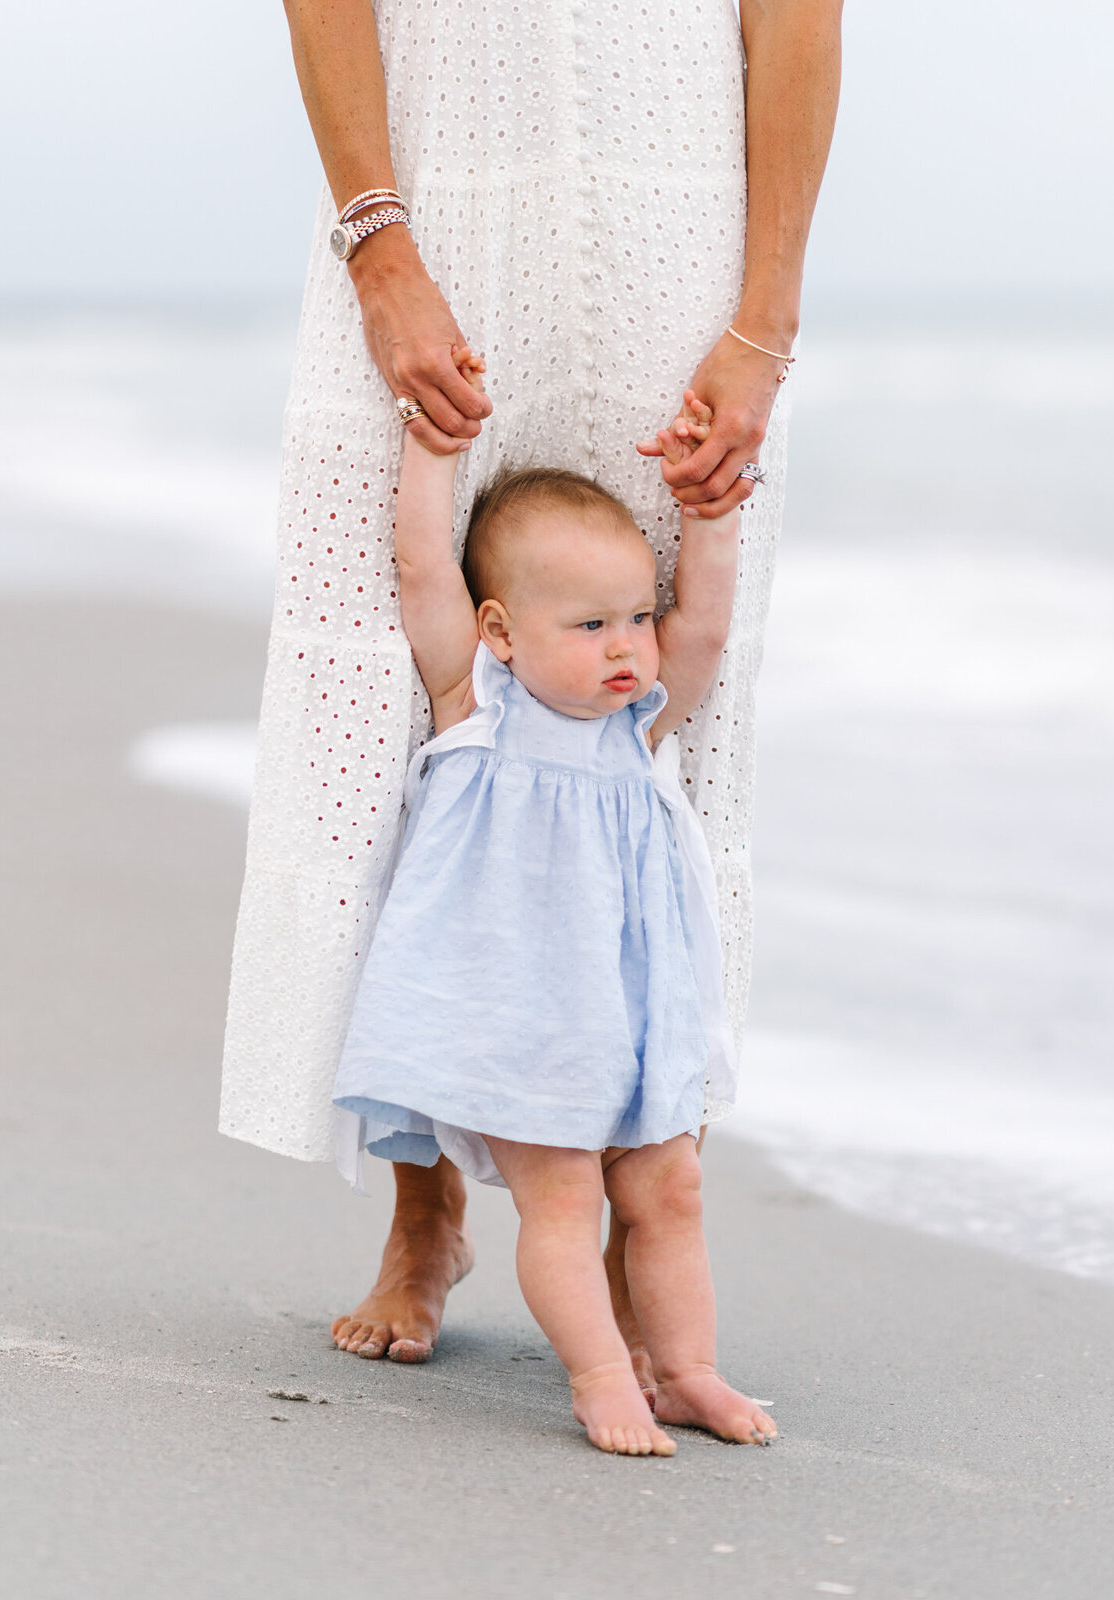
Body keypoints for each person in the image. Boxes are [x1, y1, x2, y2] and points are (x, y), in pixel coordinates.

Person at [219, 0, 843, 1384]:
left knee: (663, 712)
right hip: (437, 199)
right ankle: (422, 1199)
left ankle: (640, 1205)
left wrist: (765, 324)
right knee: (380, 703)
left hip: (680, 236)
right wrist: (380, 249)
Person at [330, 352, 777, 1455]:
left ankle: (687, 1369)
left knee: (671, 1187)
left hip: (632, 1015)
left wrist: (706, 517)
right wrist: (434, 456)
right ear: (500, 633)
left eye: (633, 617)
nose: (627, 645)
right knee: (566, 1196)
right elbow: (422, 565)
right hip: (521, 1019)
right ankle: (597, 1376)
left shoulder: (638, 729)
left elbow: (708, 631)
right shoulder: (474, 712)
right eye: (590, 626)